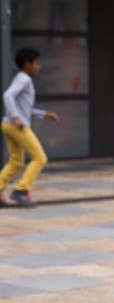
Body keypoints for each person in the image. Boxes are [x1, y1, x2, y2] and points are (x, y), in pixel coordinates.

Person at [0, 47, 60, 208]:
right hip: (16, 126)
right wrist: (17, 117)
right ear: (28, 64)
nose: (39, 67)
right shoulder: (24, 79)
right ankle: (21, 190)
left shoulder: (22, 78)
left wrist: (44, 114)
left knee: (16, 161)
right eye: (37, 63)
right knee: (40, 157)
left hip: (8, 124)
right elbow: (7, 95)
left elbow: (24, 108)